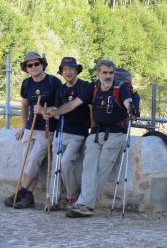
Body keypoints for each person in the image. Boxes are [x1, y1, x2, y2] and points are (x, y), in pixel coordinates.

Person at [47, 59, 133, 218]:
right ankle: (83, 201)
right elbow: (73, 105)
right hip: (95, 134)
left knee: (102, 169)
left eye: (111, 73)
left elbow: (128, 101)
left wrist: (131, 108)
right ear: (98, 73)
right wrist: (54, 112)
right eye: (105, 73)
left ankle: (85, 204)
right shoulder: (93, 87)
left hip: (115, 134)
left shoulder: (120, 88)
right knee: (88, 168)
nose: (108, 76)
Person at [4, 52, 62, 209]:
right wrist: (23, 126)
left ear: (42, 64)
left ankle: (21, 192)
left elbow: (59, 108)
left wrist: (44, 109)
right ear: (26, 69)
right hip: (30, 128)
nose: (34, 67)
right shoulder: (26, 83)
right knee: (27, 161)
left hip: (47, 129)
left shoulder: (53, 82)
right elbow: (24, 106)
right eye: (30, 65)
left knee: (34, 160)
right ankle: (28, 197)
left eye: (37, 64)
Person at [50, 57, 91, 209]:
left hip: (78, 133)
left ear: (76, 71)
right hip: (60, 132)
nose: (68, 72)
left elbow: (91, 108)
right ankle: (54, 198)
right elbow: (56, 111)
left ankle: (71, 196)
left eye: (71, 69)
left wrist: (92, 129)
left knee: (65, 162)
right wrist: (47, 112)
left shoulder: (85, 86)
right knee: (56, 164)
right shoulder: (60, 89)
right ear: (61, 72)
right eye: (65, 70)